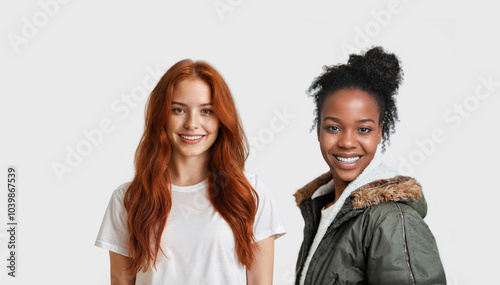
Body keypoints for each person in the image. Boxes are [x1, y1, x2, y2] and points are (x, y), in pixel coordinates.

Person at [95, 59, 286, 285]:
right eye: (179, 110)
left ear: (221, 119)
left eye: (206, 111)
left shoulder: (250, 192)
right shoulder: (129, 198)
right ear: (161, 116)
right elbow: (121, 280)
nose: (192, 124)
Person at [294, 47, 446, 285]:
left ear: (379, 133)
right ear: (318, 130)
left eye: (363, 129)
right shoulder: (324, 209)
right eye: (333, 127)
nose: (346, 142)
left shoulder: (391, 220)